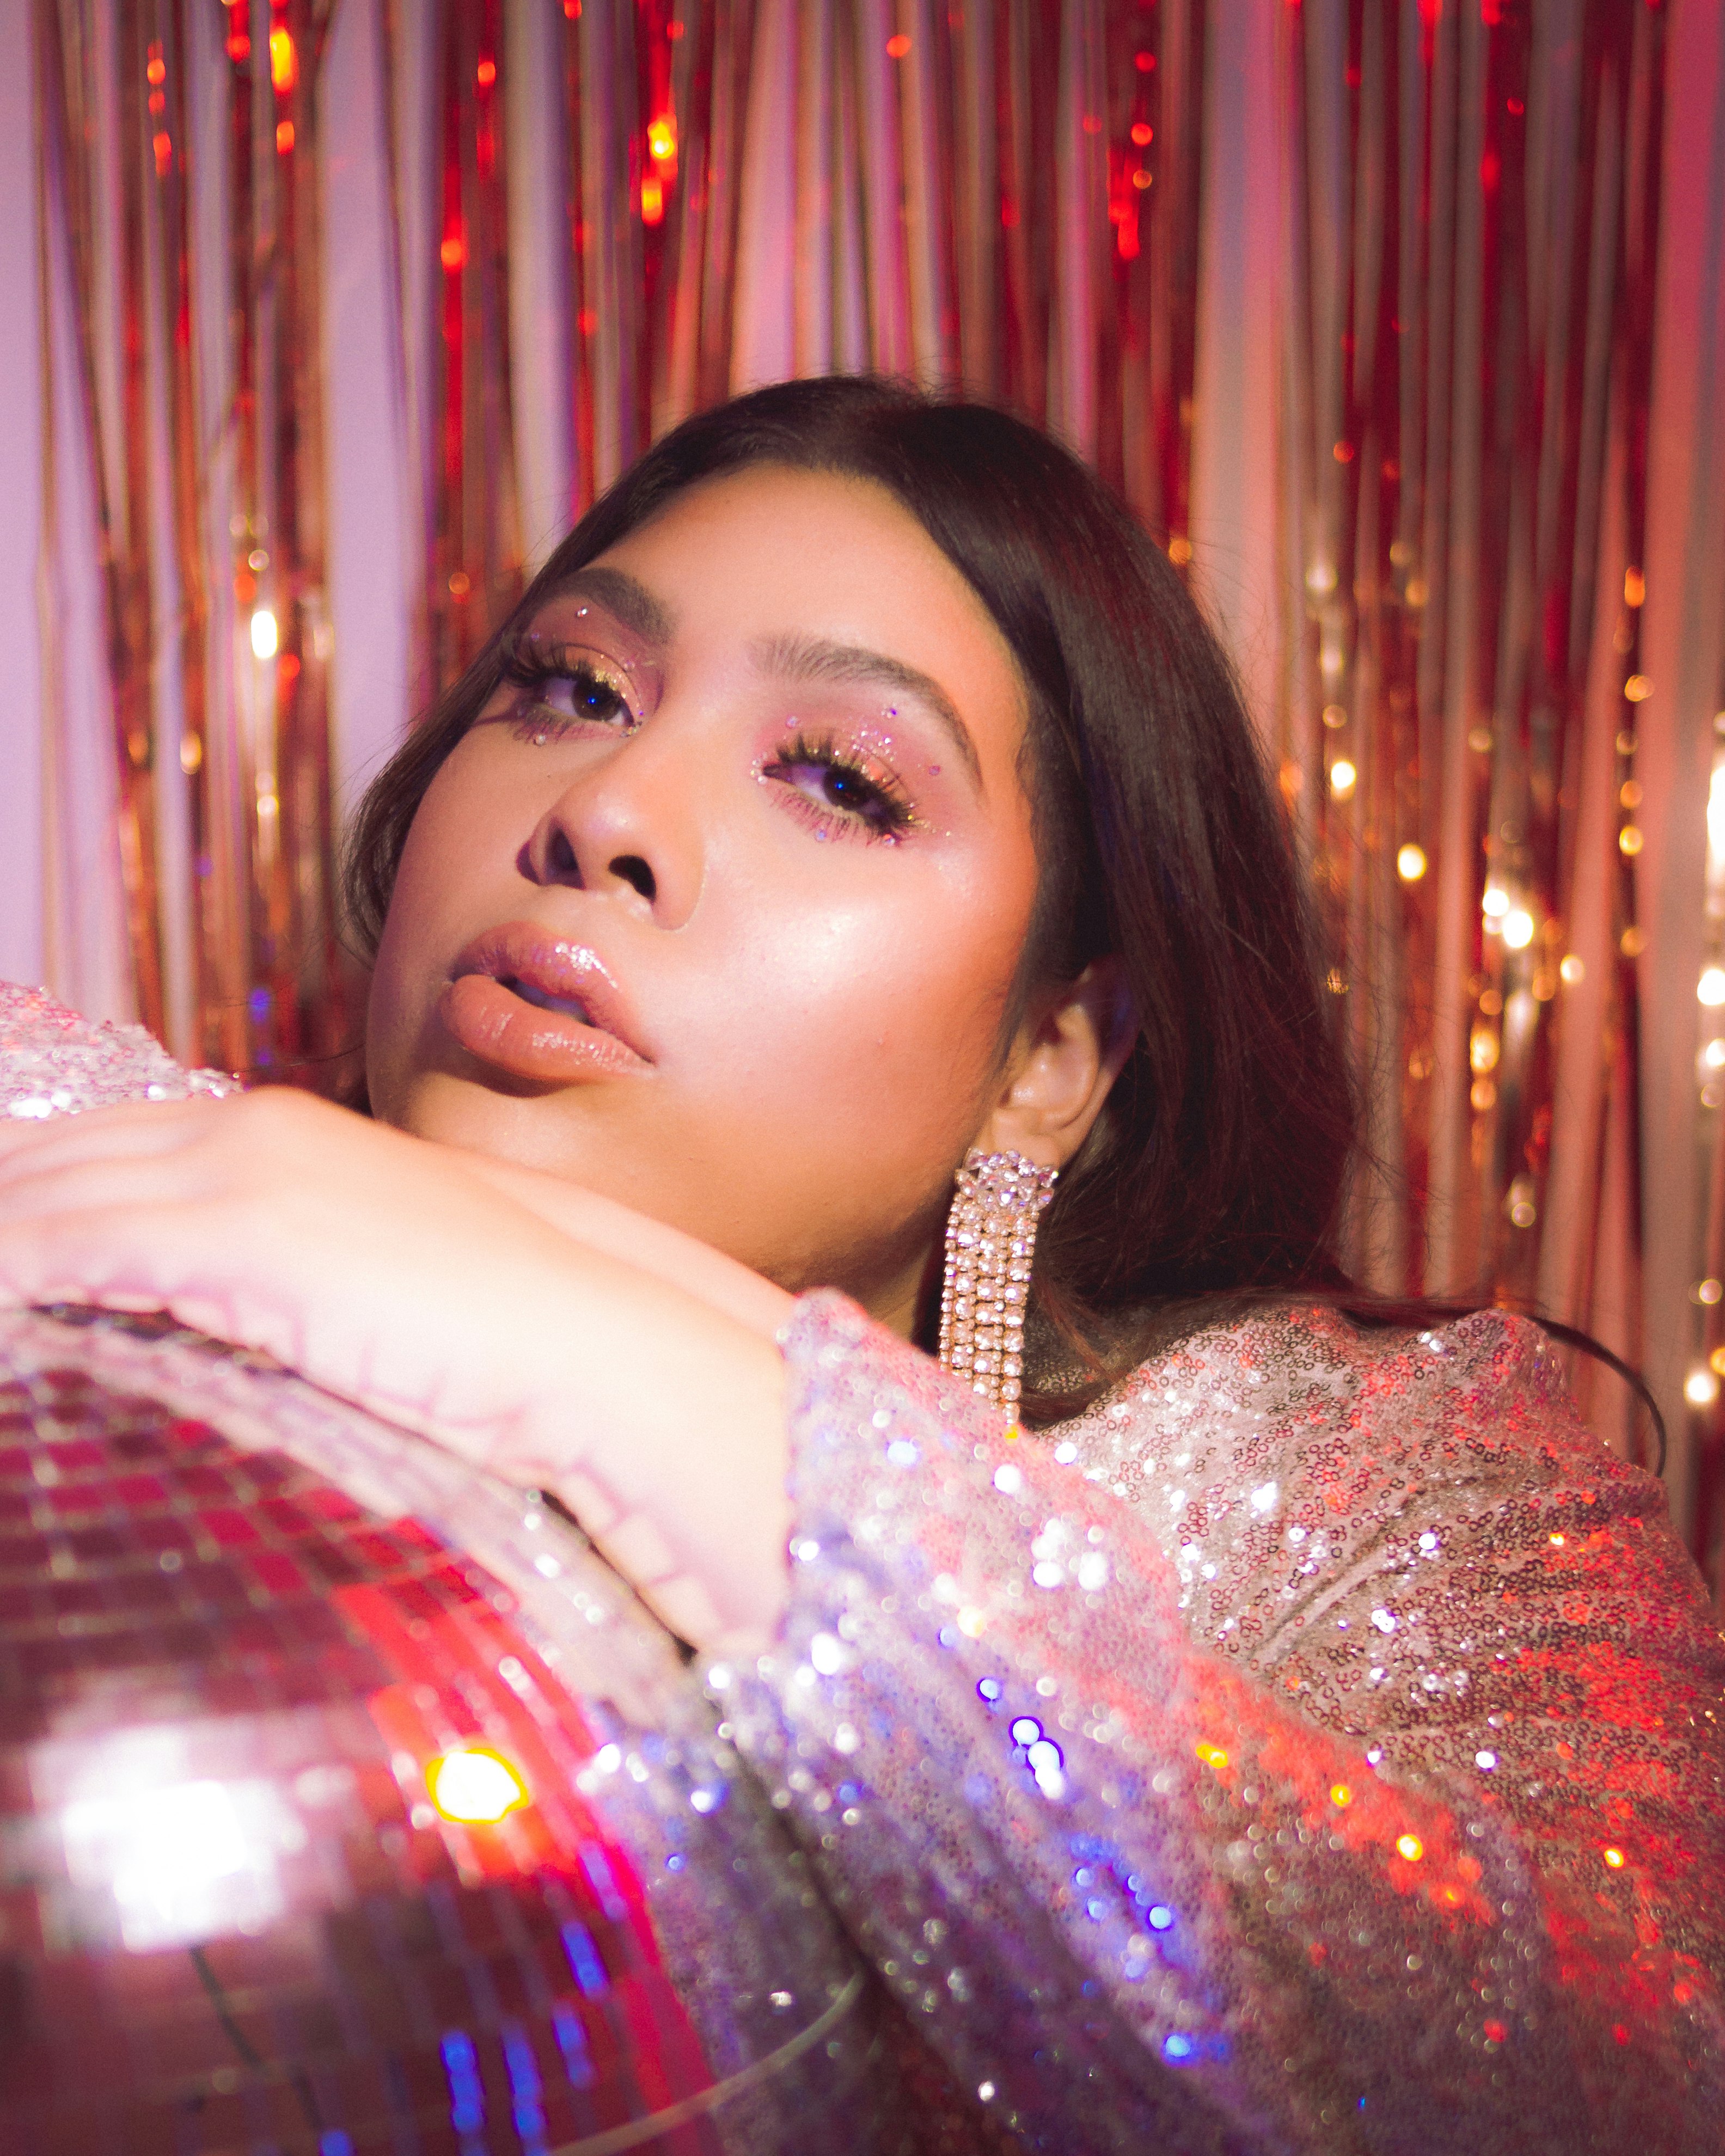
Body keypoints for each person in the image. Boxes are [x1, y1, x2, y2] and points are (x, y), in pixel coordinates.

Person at [0, 376, 1717, 2153]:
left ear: (1050, 1054)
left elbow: (1605, 2081)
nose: (605, 809)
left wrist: (669, 1393)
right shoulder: (186, 1193)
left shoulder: (1389, 1488)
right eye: (571, 687)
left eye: (839, 781)